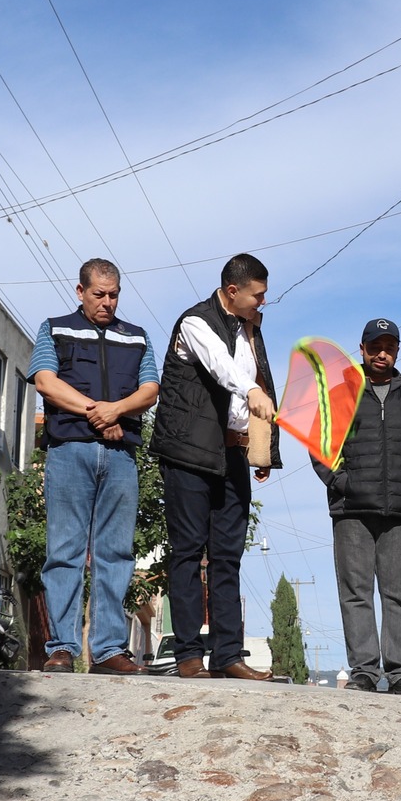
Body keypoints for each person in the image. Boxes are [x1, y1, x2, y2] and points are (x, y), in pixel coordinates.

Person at [150, 253, 280, 680]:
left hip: (232, 456)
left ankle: (229, 656)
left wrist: (263, 449)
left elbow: (263, 387)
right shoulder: (195, 322)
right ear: (232, 291)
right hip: (188, 453)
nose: (263, 301)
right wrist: (250, 391)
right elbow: (226, 372)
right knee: (188, 552)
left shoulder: (251, 330)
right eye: (258, 294)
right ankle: (189, 654)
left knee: (228, 557)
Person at [29, 259, 160, 676]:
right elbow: (46, 382)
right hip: (69, 451)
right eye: (99, 294)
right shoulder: (53, 328)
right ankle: (62, 648)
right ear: (80, 291)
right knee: (64, 551)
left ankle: (107, 651)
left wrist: (117, 410)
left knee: (116, 553)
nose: (107, 302)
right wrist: (98, 414)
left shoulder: (136, 336)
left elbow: (151, 389)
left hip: (122, 458)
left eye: (114, 294)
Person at [314, 317, 401, 694]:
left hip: (400, 512)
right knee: (356, 592)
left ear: (397, 350)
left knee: (399, 593)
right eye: (375, 346)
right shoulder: (340, 394)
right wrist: (342, 483)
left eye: (390, 347)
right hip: (351, 512)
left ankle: (400, 673)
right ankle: (364, 670)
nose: (382, 353)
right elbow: (320, 445)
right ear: (362, 349)